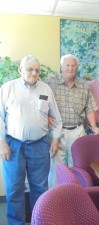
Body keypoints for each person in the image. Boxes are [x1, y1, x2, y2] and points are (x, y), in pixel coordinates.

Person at [0, 55, 62, 225]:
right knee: (14, 189)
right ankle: (16, 222)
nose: (34, 73)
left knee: (40, 188)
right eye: (29, 69)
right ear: (20, 70)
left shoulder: (45, 89)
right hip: (13, 145)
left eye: (37, 70)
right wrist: (2, 142)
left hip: (40, 144)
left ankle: (39, 221)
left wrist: (55, 139)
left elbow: (56, 116)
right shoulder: (7, 88)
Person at [45, 54, 99, 188]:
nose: (70, 68)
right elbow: (40, 103)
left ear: (77, 67)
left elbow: (90, 107)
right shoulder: (49, 82)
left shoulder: (83, 85)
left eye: (73, 65)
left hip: (78, 130)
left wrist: (94, 126)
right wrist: (46, 117)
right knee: (57, 168)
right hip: (57, 132)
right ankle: (56, 199)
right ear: (61, 67)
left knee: (78, 167)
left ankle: (75, 198)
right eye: (67, 65)